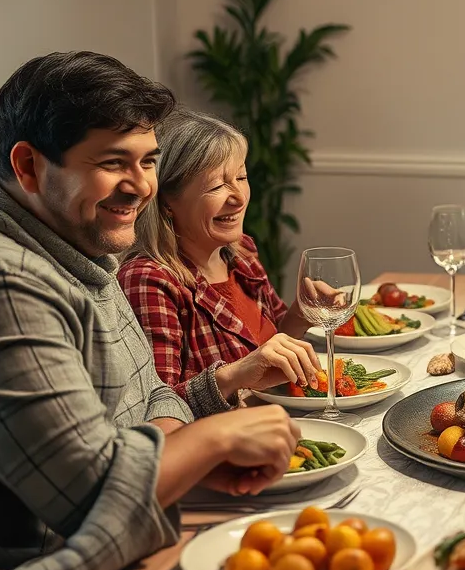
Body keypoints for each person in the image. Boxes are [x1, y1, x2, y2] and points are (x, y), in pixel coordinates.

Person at [0, 52, 301, 570]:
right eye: (111, 163)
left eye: (149, 160)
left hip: (110, 566)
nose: (141, 185)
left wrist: (165, 439)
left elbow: (154, 394)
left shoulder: (70, 242)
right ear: (26, 165)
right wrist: (213, 439)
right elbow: (94, 495)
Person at [118, 108, 324, 412]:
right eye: (216, 185)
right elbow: (155, 408)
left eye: (241, 177)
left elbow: (272, 353)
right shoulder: (149, 280)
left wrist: (301, 314)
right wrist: (233, 376)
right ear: (167, 201)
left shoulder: (241, 254)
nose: (239, 197)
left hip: (277, 421)